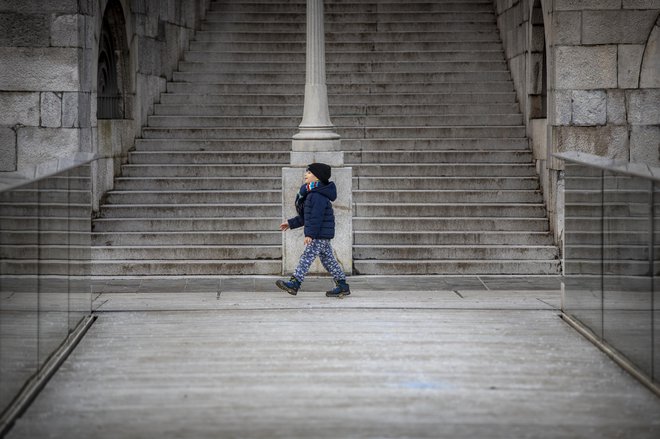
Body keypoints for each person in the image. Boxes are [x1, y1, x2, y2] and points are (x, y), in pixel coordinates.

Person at [276, 162, 350, 298]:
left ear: (317, 177)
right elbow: (307, 217)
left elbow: (315, 218)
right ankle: (342, 285)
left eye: (309, 172)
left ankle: (295, 283)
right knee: (329, 261)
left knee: (306, 257)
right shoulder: (313, 193)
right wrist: (291, 223)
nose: (306, 174)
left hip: (318, 234)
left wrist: (310, 234)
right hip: (321, 234)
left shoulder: (316, 195)